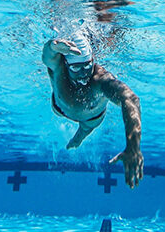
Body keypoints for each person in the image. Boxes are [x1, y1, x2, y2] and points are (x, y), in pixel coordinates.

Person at [42, 32, 143, 188]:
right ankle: (77, 139)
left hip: (90, 120)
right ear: (66, 64)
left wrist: (133, 147)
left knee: (84, 131)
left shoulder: (101, 80)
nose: (83, 73)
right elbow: (48, 55)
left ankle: (78, 138)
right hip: (60, 108)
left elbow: (130, 99)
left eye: (87, 65)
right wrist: (53, 45)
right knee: (77, 130)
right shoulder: (58, 67)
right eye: (76, 67)